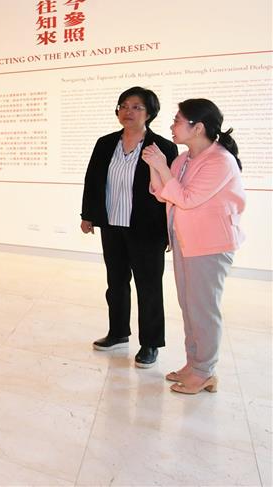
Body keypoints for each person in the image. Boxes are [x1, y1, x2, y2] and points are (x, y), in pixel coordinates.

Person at [142, 98, 245, 394]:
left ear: (197, 127)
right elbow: (163, 193)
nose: (172, 126)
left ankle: (204, 371)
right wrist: (154, 167)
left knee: (203, 309)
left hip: (210, 245)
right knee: (189, 306)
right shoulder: (184, 159)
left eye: (177, 120)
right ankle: (194, 364)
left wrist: (161, 166)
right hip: (185, 241)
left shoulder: (220, 161)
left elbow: (186, 199)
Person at [80, 86, 177, 367]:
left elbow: (170, 190)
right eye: (123, 106)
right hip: (112, 224)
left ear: (149, 113)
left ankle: (150, 343)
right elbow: (93, 180)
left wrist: (169, 231)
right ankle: (118, 332)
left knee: (149, 287)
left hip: (147, 229)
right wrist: (88, 215)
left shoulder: (162, 147)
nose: (128, 111)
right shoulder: (105, 143)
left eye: (136, 107)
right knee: (116, 283)